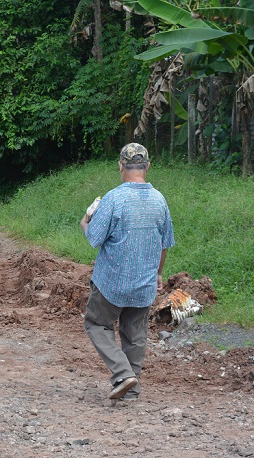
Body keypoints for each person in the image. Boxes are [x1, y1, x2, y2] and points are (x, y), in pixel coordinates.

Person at [79, 143, 175, 401]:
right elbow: (165, 243)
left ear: (121, 167)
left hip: (112, 282)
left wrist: (85, 223)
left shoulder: (114, 198)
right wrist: (158, 273)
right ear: (148, 167)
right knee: (135, 334)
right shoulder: (160, 200)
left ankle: (122, 374)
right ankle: (132, 388)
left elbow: (95, 238)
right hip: (144, 282)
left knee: (97, 323)